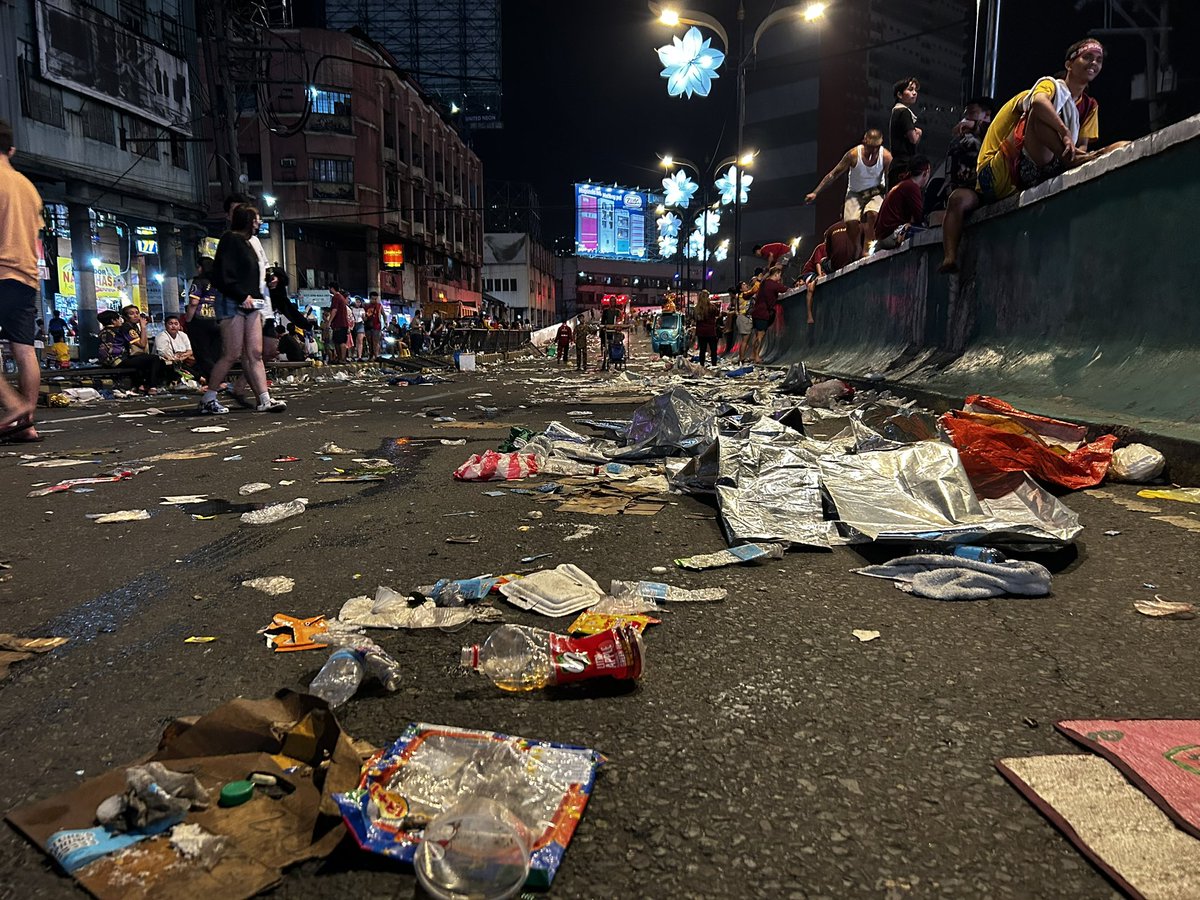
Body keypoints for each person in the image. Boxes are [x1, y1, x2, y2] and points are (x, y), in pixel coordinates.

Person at [941, 39, 1123, 273]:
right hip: (1002, 169)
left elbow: (1083, 145)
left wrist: (1081, 154)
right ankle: (949, 258)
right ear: (1069, 64)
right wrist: (1064, 132)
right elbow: (1038, 104)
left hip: (1047, 163)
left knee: (1119, 147)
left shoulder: (1089, 105)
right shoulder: (1043, 90)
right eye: (1087, 57)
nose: (1094, 63)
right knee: (958, 199)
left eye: (1099, 60)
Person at [201, 204, 285, 414]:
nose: (259, 222)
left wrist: (268, 279)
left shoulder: (250, 243)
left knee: (255, 353)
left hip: (252, 302)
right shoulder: (231, 239)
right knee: (231, 353)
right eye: (256, 219)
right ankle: (208, 398)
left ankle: (265, 399)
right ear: (247, 220)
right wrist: (241, 295)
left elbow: (252, 273)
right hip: (232, 301)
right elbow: (224, 274)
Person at [0, 119, 44, 443]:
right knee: (24, 349)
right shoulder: (28, 187)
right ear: (11, 149)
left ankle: (15, 405)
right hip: (27, 276)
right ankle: (27, 423)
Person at [805, 129, 892, 243]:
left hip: (876, 191)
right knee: (851, 222)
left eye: (876, 147)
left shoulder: (886, 157)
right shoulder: (853, 155)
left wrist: (889, 200)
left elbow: (889, 180)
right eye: (871, 147)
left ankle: (869, 245)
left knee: (873, 214)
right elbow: (833, 174)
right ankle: (856, 248)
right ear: (864, 142)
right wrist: (815, 192)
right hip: (855, 193)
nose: (873, 151)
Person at [924, 97, 994, 225]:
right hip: (957, 189)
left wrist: (976, 125)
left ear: (987, 115)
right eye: (966, 114)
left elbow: (991, 129)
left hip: (981, 189)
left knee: (957, 199)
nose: (967, 118)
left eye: (972, 113)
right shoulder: (961, 139)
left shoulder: (990, 132)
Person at [873, 156, 932, 250]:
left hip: (882, 236)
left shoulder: (904, 184)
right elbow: (919, 216)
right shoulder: (911, 187)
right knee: (928, 233)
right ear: (925, 173)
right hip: (890, 235)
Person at [98, 309, 163, 392]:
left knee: (140, 359)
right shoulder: (122, 329)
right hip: (118, 360)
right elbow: (142, 344)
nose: (136, 316)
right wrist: (143, 327)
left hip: (106, 361)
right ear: (113, 321)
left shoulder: (102, 332)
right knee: (154, 358)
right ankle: (152, 386)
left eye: (137, 313)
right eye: (118, 319)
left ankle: (140, 385)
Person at [184, 257, 221, 383]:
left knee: (202, 354)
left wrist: (188, 319)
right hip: (216, 321)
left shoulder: (198, 281)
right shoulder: (219, 282)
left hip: (200, 320)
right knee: (214, 354)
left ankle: (216, 381)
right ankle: (214, 381)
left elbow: (194, 302)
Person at [889, 77, 923, 179]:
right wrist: (919, 132)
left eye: (915, 90)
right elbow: (913, 139)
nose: (914, 93)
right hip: (904, 165)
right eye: (910, 89)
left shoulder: (896, 111)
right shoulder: (904, 112)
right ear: (899, 95)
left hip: (897, 164)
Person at [750, 267, 785, 364]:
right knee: (761, 335)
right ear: (776, 274)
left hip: (756, 312)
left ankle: (753, 355)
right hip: (763, 313)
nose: (780, 277)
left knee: (756, 334)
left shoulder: (764, 283)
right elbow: (784, 289)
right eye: (779, 275)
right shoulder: (773, 284)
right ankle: (757, 357)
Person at [153, 314, 195, 385]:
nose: (173, 326)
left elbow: (190, 351)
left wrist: (182, 356)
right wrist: (176, 358)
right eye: (170, 324)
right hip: (166, 362)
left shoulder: (183, 335)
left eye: (176, 324)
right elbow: (163, 353)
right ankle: (201, 378)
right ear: (165, 326)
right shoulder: (161, 336)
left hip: (181, 360)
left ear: (179, 326)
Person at [692, 290, 719, 367]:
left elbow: (694, 319)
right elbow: (717, 314)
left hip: (701, 332)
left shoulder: (696, 309)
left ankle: (702, 365)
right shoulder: (712, 307)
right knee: (713, 350)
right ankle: (714, 365)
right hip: (711, 331)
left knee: (702, 350)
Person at [327, 282, 350, 364]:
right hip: (343, 323)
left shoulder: (336, 297)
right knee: (338, 341)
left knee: (340, 342)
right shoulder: (341, 297)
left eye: (329, 288)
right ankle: (340, 358)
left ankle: (342, 358)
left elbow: (334, 310)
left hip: (339, 323)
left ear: (332, 288)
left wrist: (329, 322)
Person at [364, 291, 385, 359]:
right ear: (369, 298)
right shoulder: (366, 306)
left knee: (375, 341)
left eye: (376, 299)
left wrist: (385, 322)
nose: (374, 300)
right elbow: (363, 315)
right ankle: (371, 355)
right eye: (373, 299)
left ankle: (376, 356)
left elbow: (384, 314)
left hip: (377, 326)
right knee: (369, 341)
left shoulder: (379, 306)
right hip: (368, 326)